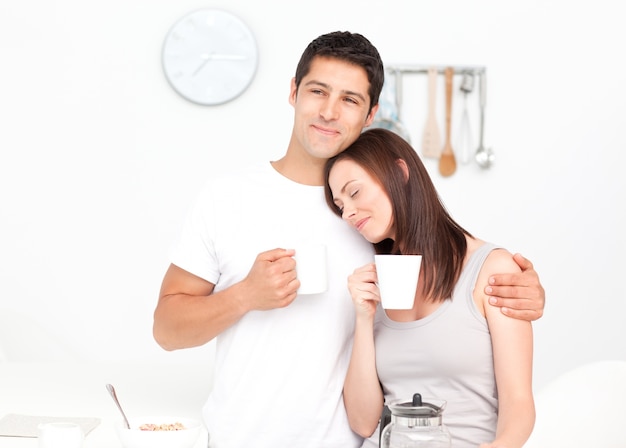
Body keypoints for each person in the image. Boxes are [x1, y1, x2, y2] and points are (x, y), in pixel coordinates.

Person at [153, 31, 544, 448]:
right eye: (318, 91)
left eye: (350, 100)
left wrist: (522, 289)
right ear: (293, 92)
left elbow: (457, 282)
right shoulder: (226, 197)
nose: (328, 111)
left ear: (371, 112)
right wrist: (245, 295)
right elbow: (166, 330)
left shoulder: (378, 224)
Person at [324, 127, 535, 448]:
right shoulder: (379, 281)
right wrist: (364, 317)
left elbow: (519, 401)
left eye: (354, 193)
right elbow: (364, 421)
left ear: (400, 172)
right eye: (340, 206)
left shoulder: (492, 269)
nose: (348, 212)